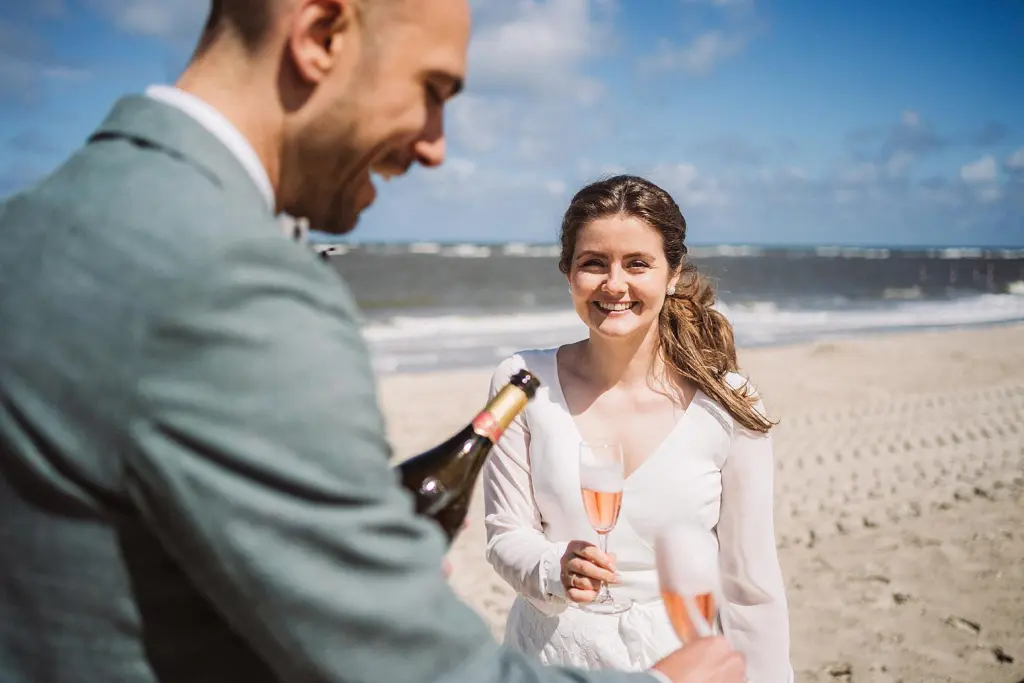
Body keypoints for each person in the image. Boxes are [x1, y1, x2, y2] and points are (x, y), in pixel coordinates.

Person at [0, 2, 745, 683]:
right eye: (431, 89)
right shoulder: (240, 280)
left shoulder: (30, 226)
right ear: (321, 35)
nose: (435, 147)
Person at [482, 175, 795, 681]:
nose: (614, 284)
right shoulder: (522, 381)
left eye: (637, 264)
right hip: (550, 659)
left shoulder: (729, 401)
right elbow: (504, 533)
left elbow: (751, 584)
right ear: (568, 273)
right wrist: (551, 568)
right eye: (593, 263)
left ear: (672, 275)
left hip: (678, 661)